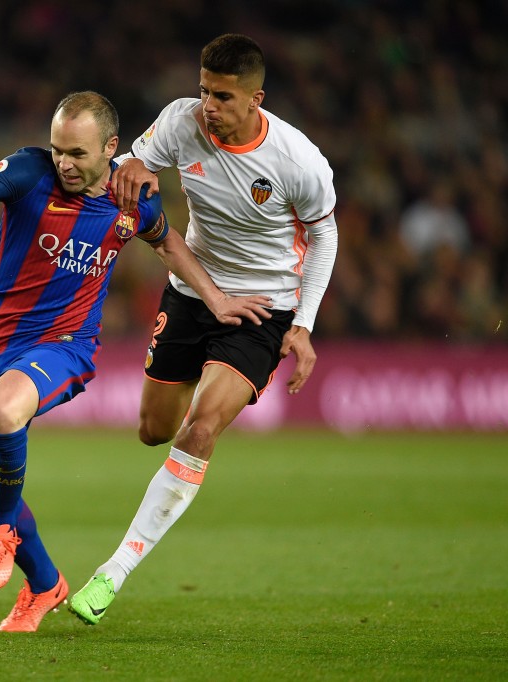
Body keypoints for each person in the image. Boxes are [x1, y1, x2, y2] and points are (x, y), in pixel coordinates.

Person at [0, 91, 271, 632]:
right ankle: (44, 586)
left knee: (3, 411)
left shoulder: (132, 199)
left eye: (77, 154)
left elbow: (169, 245)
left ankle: (2, 533)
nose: (63, 162)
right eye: (59, 149)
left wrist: (218, 298)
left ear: (110, 148)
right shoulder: (26, 169)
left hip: (64, 344)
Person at [67, 34, 339, 625]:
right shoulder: (180, 121)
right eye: (203, 91)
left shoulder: (299, 162)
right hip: (192, 294)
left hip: (263, 310)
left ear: (255, 98)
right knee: (152, 430)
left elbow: (325, 238)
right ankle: (190, 421)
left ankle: (112, 574)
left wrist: (305, 325)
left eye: (222, 96)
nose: (208, 105)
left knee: (199, 429)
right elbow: (133, 164)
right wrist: (132, 169)